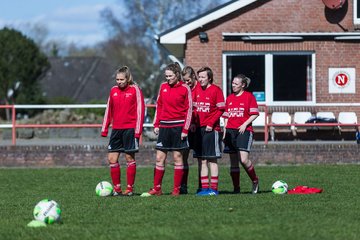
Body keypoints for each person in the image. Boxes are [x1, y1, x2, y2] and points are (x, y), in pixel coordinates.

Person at [140, 63, 192, 197]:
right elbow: (159, 105)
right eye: (166, 76)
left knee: (177, 157)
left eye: (170, 76)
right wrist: (156, 124)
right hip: (164, 127)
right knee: (159, 157)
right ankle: (157, 188)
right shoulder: (163, 87)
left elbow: (189, 110)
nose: (168, 78)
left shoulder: (185, 88)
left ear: (177, 75)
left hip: (179, 127)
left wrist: (185, 129)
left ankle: (176, 189)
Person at [101, 66, 145, 196]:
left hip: (130, 129)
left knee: (129, 158)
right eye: (117, 79)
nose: (119, 82)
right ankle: (117, 189)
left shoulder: (135, 90)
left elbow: (140, 110)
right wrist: (104, 128)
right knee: (112, 159)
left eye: (121, 79)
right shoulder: (113, 90)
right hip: (116, 130)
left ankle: (130, 189)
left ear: (127, 78)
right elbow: (108, 109)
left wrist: (138, 131)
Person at [222, 74, 259, 194]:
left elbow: (255, 113)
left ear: (243, 85)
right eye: (232, 83)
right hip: (230, 131)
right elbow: (226, 116)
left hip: (244, 131)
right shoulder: (229, 98)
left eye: (236, 84)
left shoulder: (249, 97)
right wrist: (225, 130)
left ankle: (255, 180)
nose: (233, 85)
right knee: (233, 161)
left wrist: (244, 124)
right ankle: (236, 188)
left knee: (243, 159)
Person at [194, 66, 225, 196]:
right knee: (202, 160)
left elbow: (221, 109)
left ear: (209, 78)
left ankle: (214, 189)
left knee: (212, 159)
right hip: (198, 130)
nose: (200, 79)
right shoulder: (195, 90)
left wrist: (211, 123)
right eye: (199, 77)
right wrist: (192, 123)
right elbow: (193, 108)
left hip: (212, 130)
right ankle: (204, 189)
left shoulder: (216, 90)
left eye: (203, 77)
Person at [180, 66, 201, 194]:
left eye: (188, 80)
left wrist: (194, 122)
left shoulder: (201, 88)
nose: (186, 83)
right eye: (184, 81)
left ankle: (201, 185)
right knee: (183, 157)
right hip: (187, 128)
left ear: (193, 76)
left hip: (199, 128)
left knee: (200, 158)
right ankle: (183, 186)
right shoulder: (184, 89)